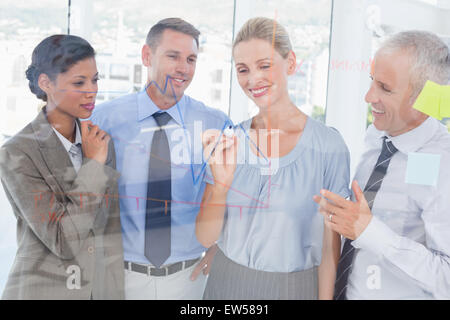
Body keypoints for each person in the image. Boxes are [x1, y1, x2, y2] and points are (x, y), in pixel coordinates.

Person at [196, 17, 350, 300]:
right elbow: (206, 238)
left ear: (290, 63)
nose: (253, 79)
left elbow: (330, 250)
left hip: (295, 289)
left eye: (264, 65)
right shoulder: (229, 142)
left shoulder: (329, 146)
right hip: (225, 283)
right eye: (243, 70)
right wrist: (221, 185)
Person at [90, 18, 229, 300]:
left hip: (189, 279)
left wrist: (220, 248)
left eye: (191, 59)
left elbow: (235, 194)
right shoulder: (104, 119)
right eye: (173, 56)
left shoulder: (216, 123)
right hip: (120, 278)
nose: (183, 68)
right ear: (146, 56)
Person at [314, 30, 450, 299]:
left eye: (384, 88)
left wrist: (371, 232)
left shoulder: (443, 165)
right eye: (371, 81)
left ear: (424, 98)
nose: (368, 96)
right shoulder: (376, 135)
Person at [0, 34, 124, 299]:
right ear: (45, 83)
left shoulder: (101, 142)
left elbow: (109, 234)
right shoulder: (17, 153)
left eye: (95, 79)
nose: (91, 90)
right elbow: (62, 240)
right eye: (79, 82)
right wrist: (92, 165)